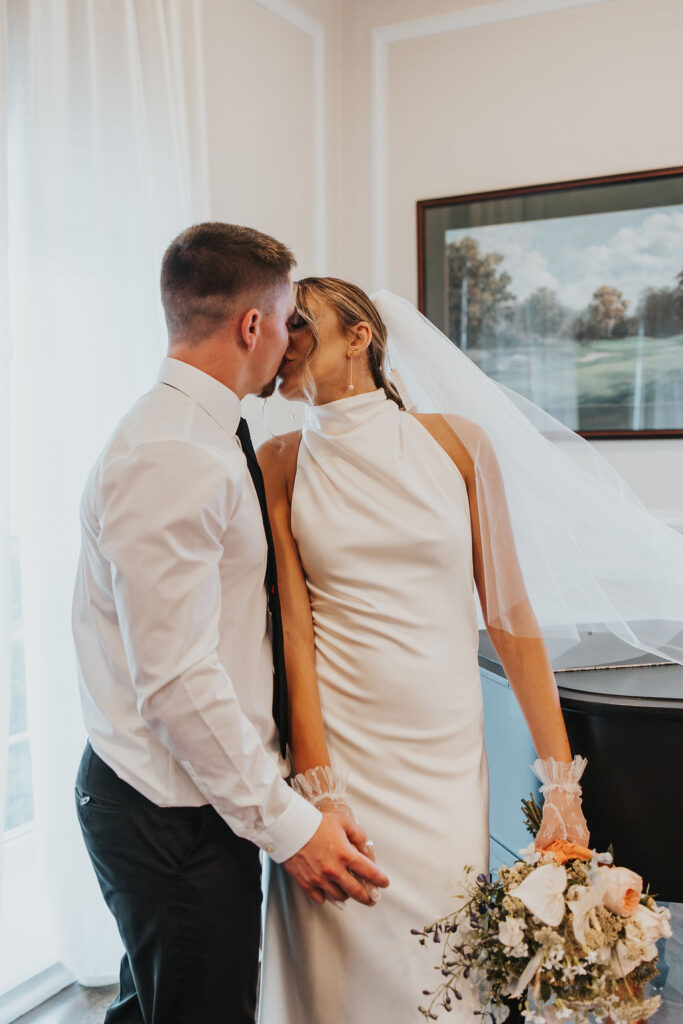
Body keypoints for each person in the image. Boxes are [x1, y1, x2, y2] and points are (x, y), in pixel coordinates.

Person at [72, 232, 388, 1024]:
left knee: (156, 1006)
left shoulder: (202, 432)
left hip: (193, 795)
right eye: (286, 320)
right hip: (168, 811)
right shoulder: (173, 453)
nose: (289, 342)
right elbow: (177, 681)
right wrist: (289, 828)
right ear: (252, 326)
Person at [257, 277, 590, 1024]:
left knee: (442, 969)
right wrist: (315, 785)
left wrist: (560, 784)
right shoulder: (279, 458)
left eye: (302, 325)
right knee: (339, 978)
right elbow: (293, 633)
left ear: (358, 337)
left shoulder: (457, 444)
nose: (286, 343)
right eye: (279, 328)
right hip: (343, 752)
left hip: (441, 758)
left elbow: (510, 620)